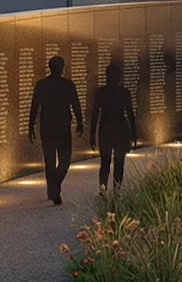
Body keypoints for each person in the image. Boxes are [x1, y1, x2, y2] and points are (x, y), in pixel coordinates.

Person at [27, 55, 85, 205]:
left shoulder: (42, 85)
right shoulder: (67, 85)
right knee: (64, 160)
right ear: (62, 68)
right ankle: (54, 188)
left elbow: (34, 108)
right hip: (61, 127)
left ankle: (53, 187)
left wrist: (31, 126)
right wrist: (79, 122)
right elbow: (76, 105)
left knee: (51, 161)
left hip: (48, 127)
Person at [89, 59, 139, 192]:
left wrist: (92, 134)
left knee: (105, 163)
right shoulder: (124, 92)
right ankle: (117, 191)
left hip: (105, 128)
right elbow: (130, 115)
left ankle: (103, 190)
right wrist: (133, 134)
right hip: (121, 129)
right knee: (119, 164)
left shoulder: (101, 92)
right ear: (118, 76)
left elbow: (95, 115)